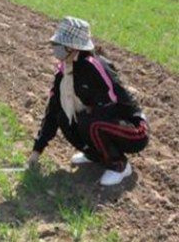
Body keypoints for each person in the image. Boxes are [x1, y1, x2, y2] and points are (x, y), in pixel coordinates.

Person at [28, 16, 149, 186]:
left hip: (132, 129)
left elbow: (115, 106)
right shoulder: (64, 72)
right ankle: (95, 155)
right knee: (63, 116)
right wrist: (36, 151)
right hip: (100, 123)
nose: (55, 49)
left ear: (73, 47)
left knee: (89, 121)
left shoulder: (96, 66)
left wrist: (86, 119)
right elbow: (52, 110)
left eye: (60, 45)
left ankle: (120, 166)